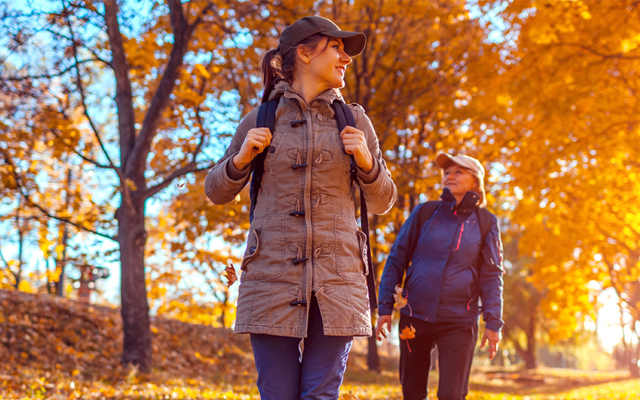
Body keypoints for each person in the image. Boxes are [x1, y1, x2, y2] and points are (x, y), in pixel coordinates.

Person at [205, 16, 397, 400]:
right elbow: (216, 191)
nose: (346, 58)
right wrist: (241, 160)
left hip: (338, 281)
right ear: (305, 54)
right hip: (271, 278)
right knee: (277, 395)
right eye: (336, 48)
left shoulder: (354, 120)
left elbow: (383, 202)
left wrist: (367, 162)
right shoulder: (261, 119)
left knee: (319, 395)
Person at [376, 152, 504, 400]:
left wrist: (493, 322)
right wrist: (384, 307)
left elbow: (492, 274)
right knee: (412, 392)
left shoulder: (486, 222)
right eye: (447, 172)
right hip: (415, 315)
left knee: (452, 394)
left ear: (475, 181)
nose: (450, 176)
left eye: (459, 172)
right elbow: (396, 258)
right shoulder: (425, 213)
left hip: (459, 320)